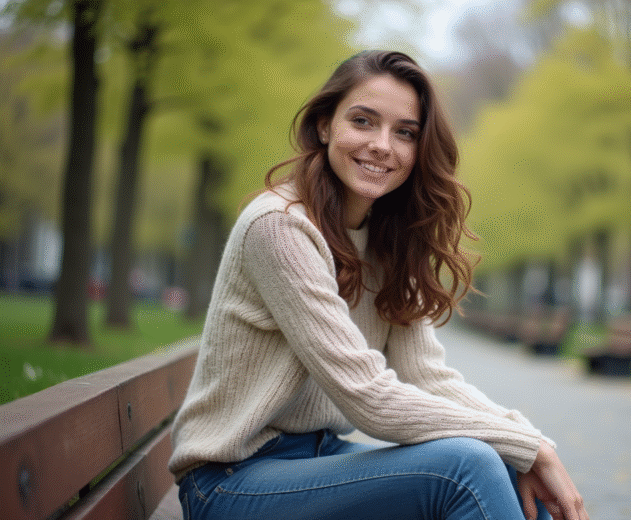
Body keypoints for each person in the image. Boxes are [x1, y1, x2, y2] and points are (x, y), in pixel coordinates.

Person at [169, 50, 589, 520]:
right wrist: (530, 446)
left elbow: (427, 378)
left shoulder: (389, 239)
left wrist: (526, 442)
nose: (382, 145)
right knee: (467, 466)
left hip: (318, 458)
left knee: (504, 463)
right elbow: (367, 396)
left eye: (404, 132)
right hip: (231, 484)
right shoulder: (279, 228)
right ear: (325, 126)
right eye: (364, 122)